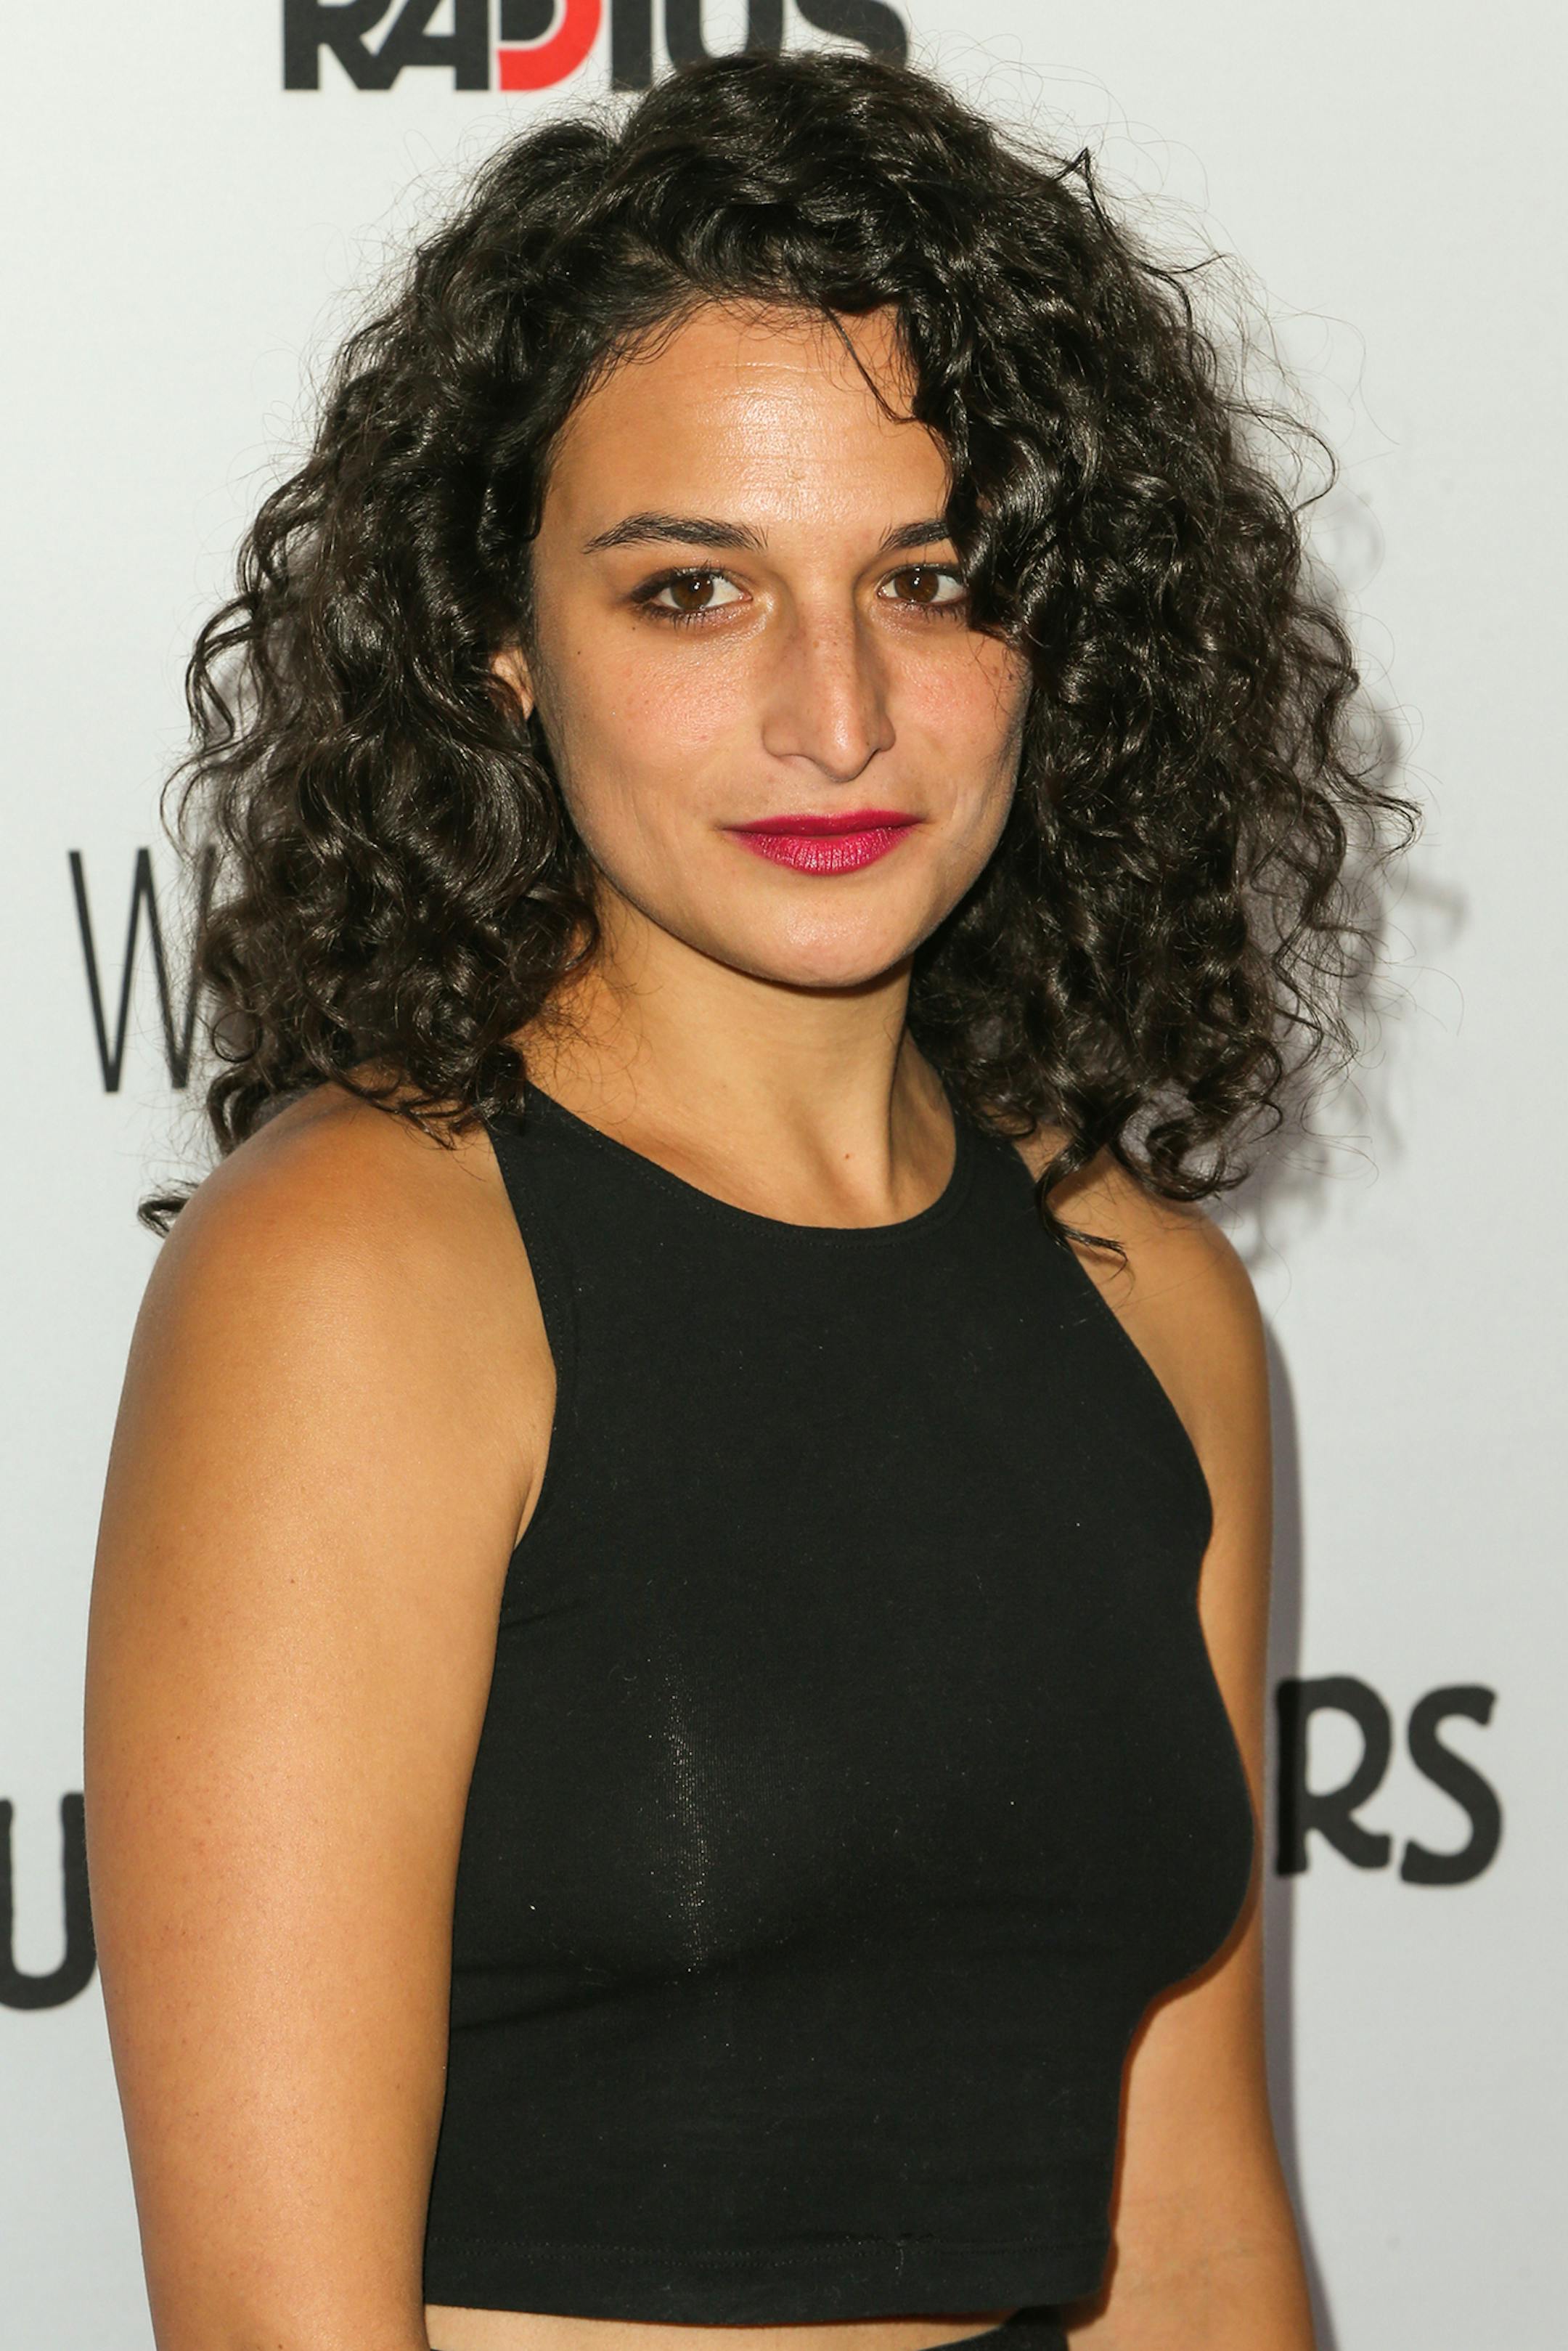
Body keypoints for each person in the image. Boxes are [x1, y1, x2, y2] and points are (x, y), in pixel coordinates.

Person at [82, 46, 1417, 2351]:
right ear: (501, 643)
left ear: (1055, 636)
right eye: (693, 590)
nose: (836, 715)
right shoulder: (364, 1272)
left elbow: (1189, 2233)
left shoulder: (1154, 1300)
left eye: (931, 582)